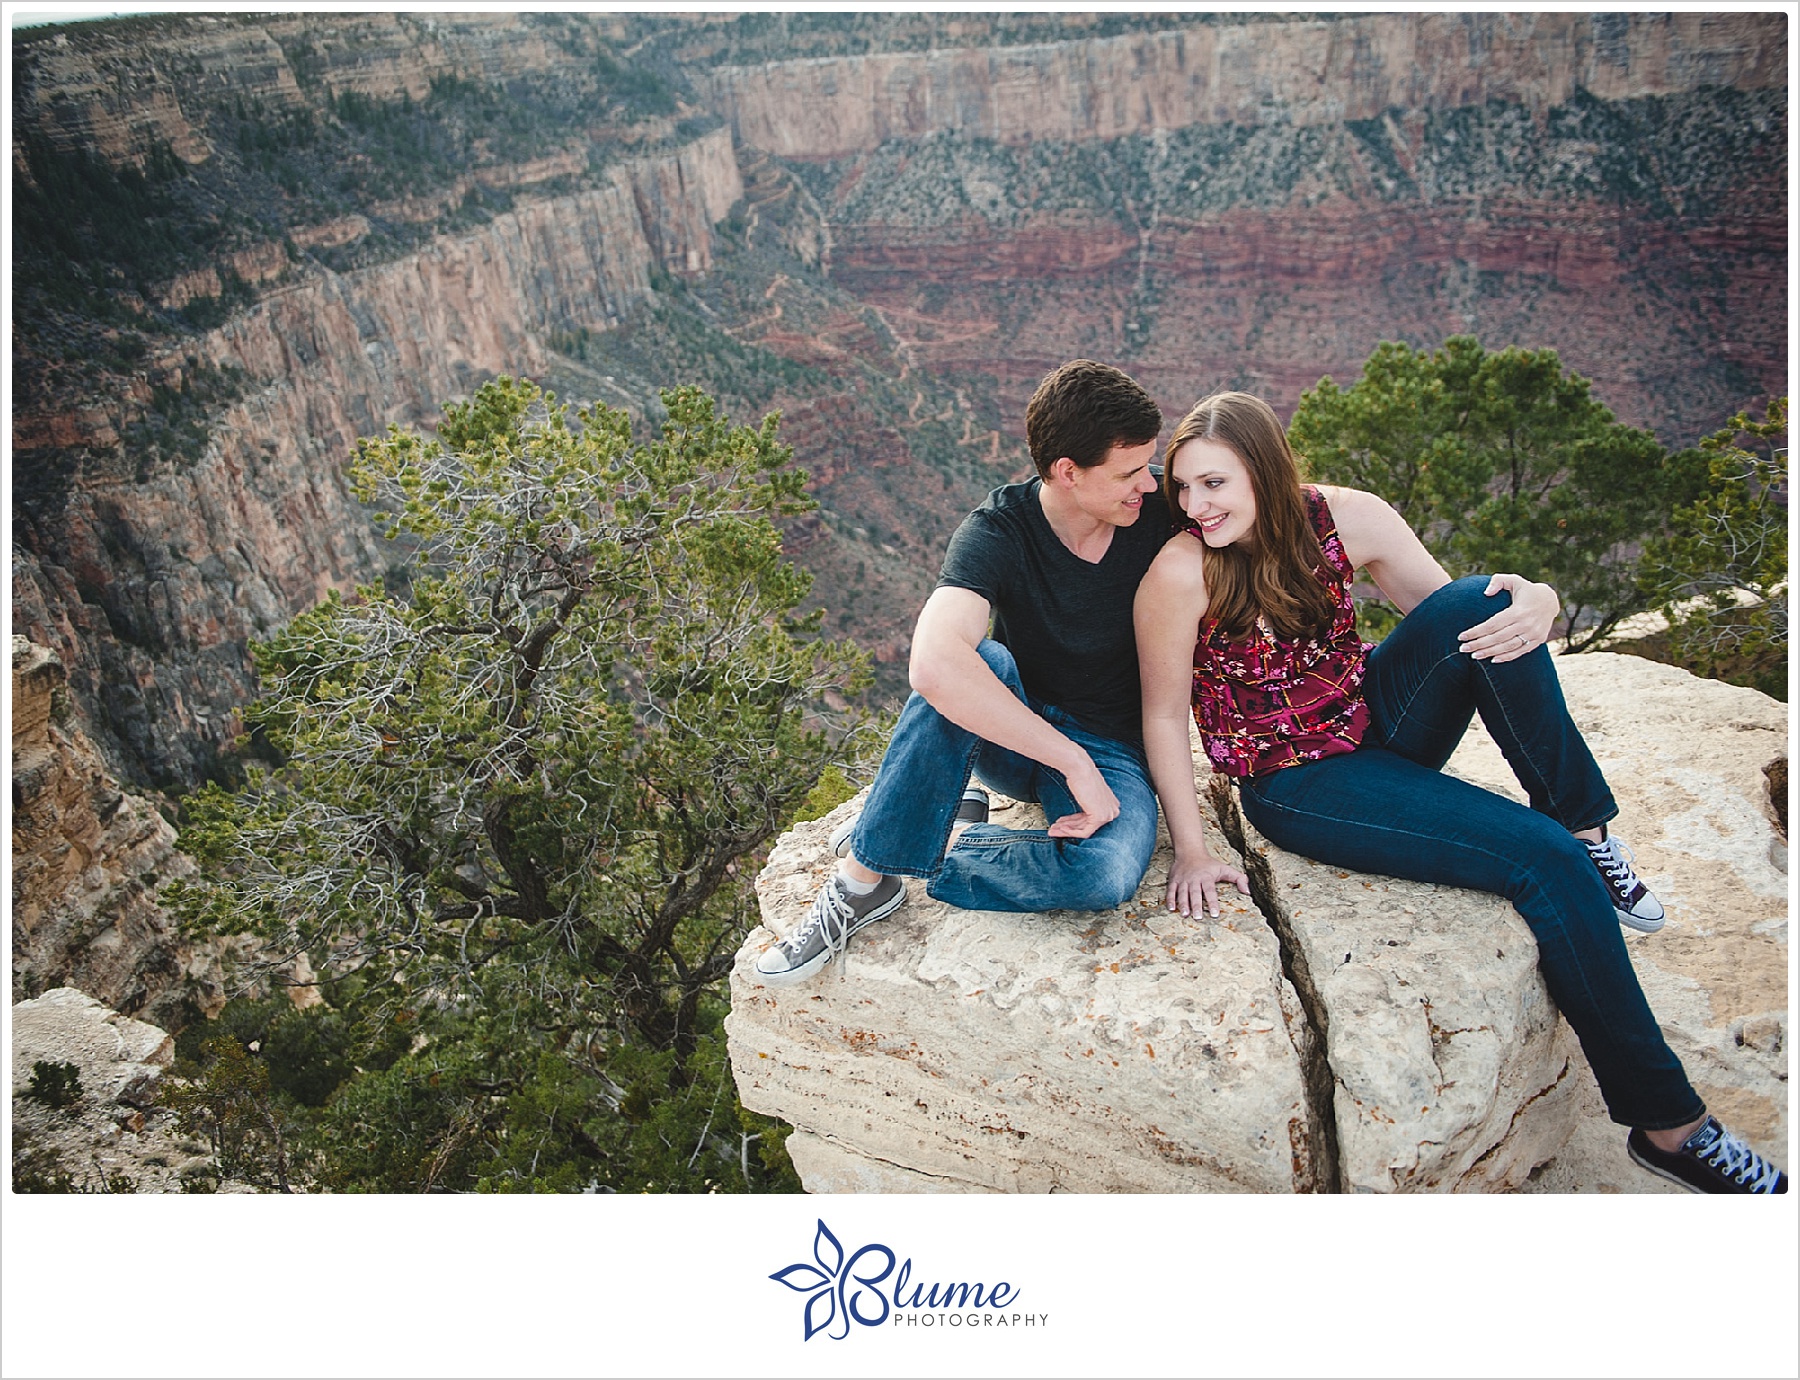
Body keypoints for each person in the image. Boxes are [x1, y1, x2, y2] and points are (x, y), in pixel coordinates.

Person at [1133, 389, 1787, 1195]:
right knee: (1542, 865)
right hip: (1299, 781)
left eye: (1216, 485)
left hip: (1377, 719)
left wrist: (1534, 602)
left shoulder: (1344, 517)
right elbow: (1162, 718)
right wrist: (1192, 849)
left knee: (1487, 603)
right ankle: (1671, 1129)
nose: (1196, 506)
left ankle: (1587, 828)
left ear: (1265, 473)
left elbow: (1467, 626)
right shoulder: (1183, 569)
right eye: (1185, 488)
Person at [755, 360, 1169, 985]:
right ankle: (865, 881)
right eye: (1130, 471)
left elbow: (1274, 506)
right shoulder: (998, 529)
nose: (1148, 484)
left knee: (1103, 875)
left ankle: (937, 843)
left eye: (1148, 464)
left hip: (1114, 745)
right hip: (1014, 731)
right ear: (1067, 471)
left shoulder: (1161, 511)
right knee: (970, 658)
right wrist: (1070, 762)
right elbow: (932, 661)